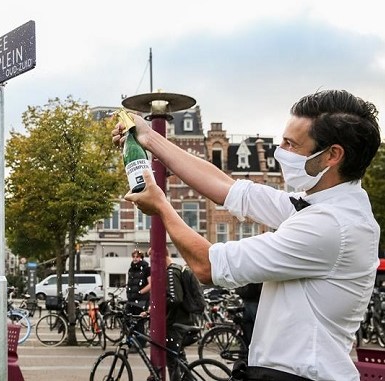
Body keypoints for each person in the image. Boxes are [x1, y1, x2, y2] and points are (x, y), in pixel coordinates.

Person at [113, 90, 381, 380]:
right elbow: (228, 187)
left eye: (292, 145)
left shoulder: (331, 225)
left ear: (332, 155)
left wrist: (162, 206)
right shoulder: (322, 205)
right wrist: (149, 137)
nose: (280, 151)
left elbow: (208, 266)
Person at [165, 252, 197, 381]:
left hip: (176, 322)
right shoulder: (177, 269)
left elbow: (175, 299)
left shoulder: (171, 272)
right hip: (181, 320)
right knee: (178, 359)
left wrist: (160, 305)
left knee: (174, 361)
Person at [125, 249, 151, 351]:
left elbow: (151, 284)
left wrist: (140, 292)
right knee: (128, 320)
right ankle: (132, 341)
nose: (135, 259)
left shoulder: (146, 269)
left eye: (137, 257)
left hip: (141, 301)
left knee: (139, 323)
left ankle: (139, 343)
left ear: (141, 258)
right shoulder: (131, 269)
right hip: (131, 299)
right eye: (134, 257)